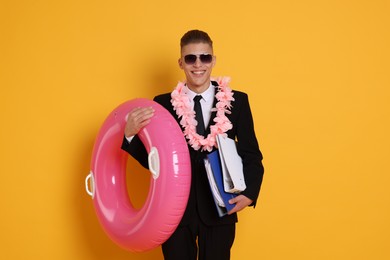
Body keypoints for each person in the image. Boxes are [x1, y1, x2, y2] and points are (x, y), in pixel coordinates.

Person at [121, 29, 264, 260]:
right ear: (181, 62)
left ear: (213, 60)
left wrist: (249, 193)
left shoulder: (237, 101)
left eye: (204, 57)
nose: (198, 64)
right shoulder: (162, 104)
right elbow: (154, 160)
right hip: (174, 213)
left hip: (219, 211)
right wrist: (129, 135)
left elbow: (251, 154)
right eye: (190, 58)